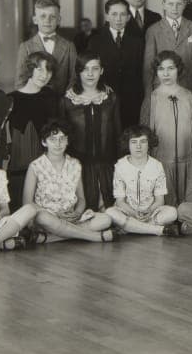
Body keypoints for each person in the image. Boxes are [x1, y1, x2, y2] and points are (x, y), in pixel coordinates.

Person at [24, 121, 115, 243]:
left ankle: (50, 238)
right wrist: (54, 216)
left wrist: (77, 213)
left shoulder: (75, 164)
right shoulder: (35, 166)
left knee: (106, 219)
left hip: (71, 218)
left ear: (68, 141)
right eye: (53, 139)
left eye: (62, 138)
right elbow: (27, 203)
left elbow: (81, 198)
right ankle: (93, 237)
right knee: (42, 217)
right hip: (48, 217)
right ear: (44, 142)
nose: (58, 143)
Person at [59, 52, 121, 210]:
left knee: (111, 211)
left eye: (95, 69)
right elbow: (62, 137)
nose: (90, 74)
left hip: (107, 166)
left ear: (102, 71)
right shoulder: (67, 100)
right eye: (85, 69)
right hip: (78, 168)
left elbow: (117, 132)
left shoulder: (111, 97)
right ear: (78, 71)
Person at [140, 50, 192, 207]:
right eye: (161, 69)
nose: (166, 74)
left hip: (188, 162)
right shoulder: (151, 100)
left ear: (179, 70)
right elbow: (144, 136)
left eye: (171, 68)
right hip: (161, 163)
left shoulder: (191, 97)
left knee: (188, 206)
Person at [104, 127, 181, 237]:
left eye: (143, 141)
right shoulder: (120, 166)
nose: (138, 146)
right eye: (134, 142)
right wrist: (134, 213)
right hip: (127, 212)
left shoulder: (157, 166)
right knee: (110, 213)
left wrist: (149, 211)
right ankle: (159, 230)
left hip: (151, 213)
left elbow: (160, 200)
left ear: (149, 144)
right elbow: (120, 201)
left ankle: (130, 228)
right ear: (128, 145)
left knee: (172, 212)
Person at [7, 50, 59, 208]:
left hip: (47, 168)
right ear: (30, 69)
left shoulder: (52, 97)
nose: (45, 75)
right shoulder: (11, 99)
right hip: (18, 167)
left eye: (48, 70)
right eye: (40, 69)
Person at [90, 0, 144, 131]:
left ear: (128, 17)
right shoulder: (95, 41)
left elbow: (142, 71)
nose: (118, 19)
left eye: (123, 14)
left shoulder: (138, 42)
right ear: (107, 16)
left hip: (132, 100)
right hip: (104, 99)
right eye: (114, 14)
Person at [143, 0, 192, 94]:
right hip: (161, 88)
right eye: (170, 4)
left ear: (184, 4)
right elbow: (148, 65)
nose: (174, 8)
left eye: (179, 4)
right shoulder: (153, 30)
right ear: (163, 5)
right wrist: (149, 93)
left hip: (188, 87)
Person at [15, 0, 77, 96]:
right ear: (35, 20)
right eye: (42, 16)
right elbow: (20, 80)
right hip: (34, 102)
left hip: (61, 102)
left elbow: (74, 78)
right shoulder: (26, 47)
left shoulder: (69, 46)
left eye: (52, 16)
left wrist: (66, 101)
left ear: (59, 20)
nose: (47, 20)